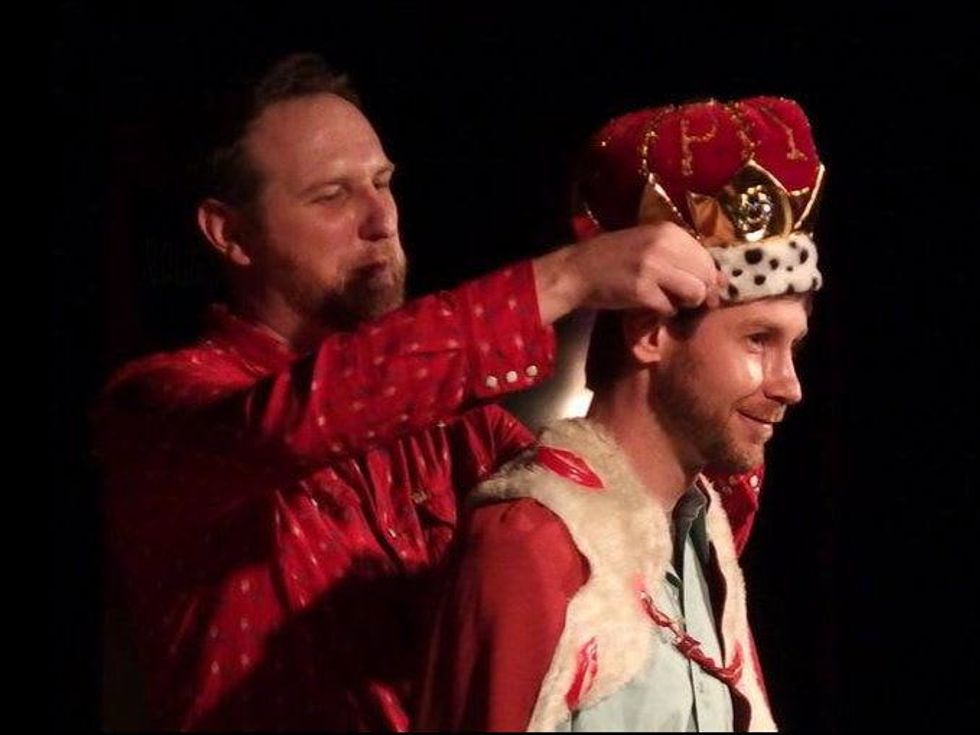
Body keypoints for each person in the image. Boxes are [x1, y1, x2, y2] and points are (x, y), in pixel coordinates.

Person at [93, 52, 758, 730]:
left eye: (383, 183)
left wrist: (729, 363)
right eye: (332, 196)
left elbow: (630, 548)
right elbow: (293, 422)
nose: (381, 218)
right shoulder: (158, 408)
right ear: (228, 232)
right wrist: (565, 280)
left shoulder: (455, 430)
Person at [414, 96, 825, 731]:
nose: (790, 384)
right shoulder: (534, 542)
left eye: (791, 346)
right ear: (650, 334)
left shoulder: (703, 537)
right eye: (757, 341)